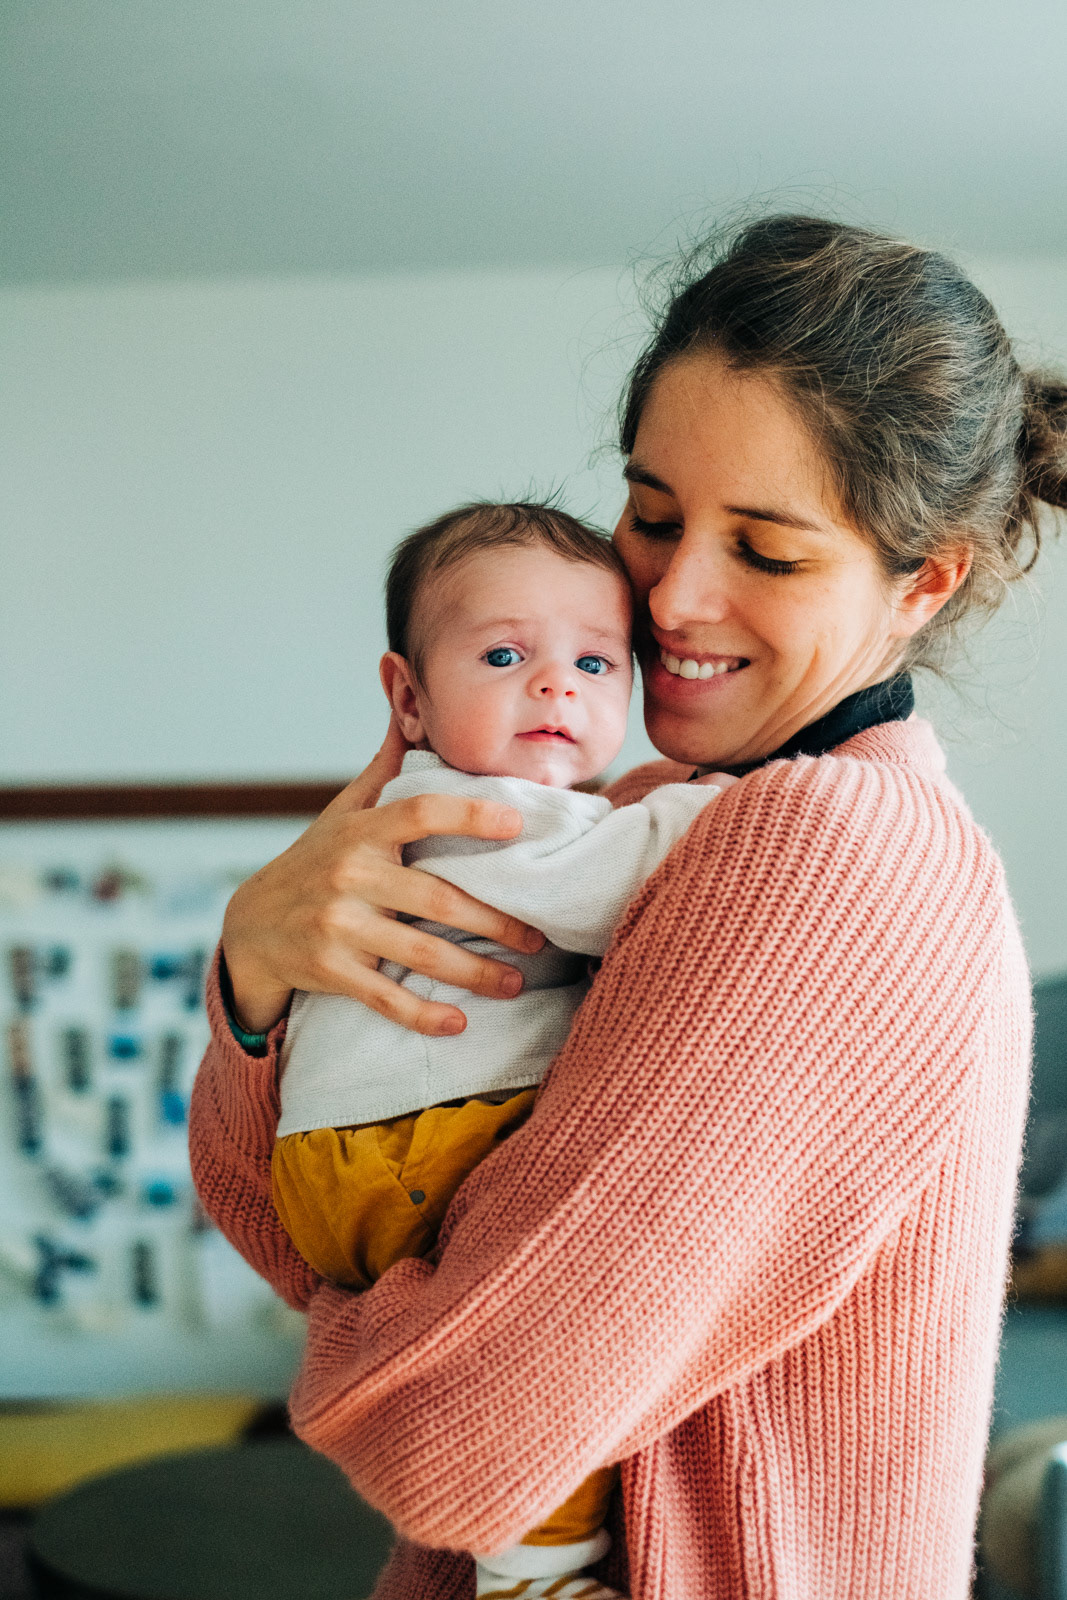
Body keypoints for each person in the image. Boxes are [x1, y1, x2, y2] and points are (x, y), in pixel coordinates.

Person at [190, 215, 1067, 1599]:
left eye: (766, 554)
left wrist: (356, 1335)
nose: (669, 595)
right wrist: (255, 978)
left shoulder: (827, 847)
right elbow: (280, 1216)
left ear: (923, 580)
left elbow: (448, 1442)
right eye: (650, 515)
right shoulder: (651, 810)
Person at [271, 500, 726, 1599]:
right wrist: (731, 803)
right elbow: (615, 877)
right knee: (537, 1358)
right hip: (417, 1131)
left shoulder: (524, 805)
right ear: (409, 698)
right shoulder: (456, 806)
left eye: (593, 661)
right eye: (505, 654)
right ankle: (536, 1566)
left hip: (370, 1141)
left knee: (511, 1354)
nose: (555, 685)